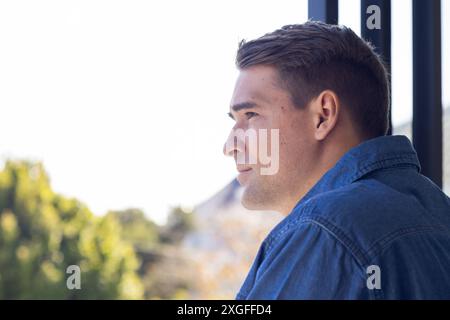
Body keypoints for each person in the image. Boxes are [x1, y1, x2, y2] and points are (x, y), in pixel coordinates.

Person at [223, 21, 450, 299]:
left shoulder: (325, 231)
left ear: (323, 115)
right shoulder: (437, 211)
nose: (229, 146)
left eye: (251, 115)